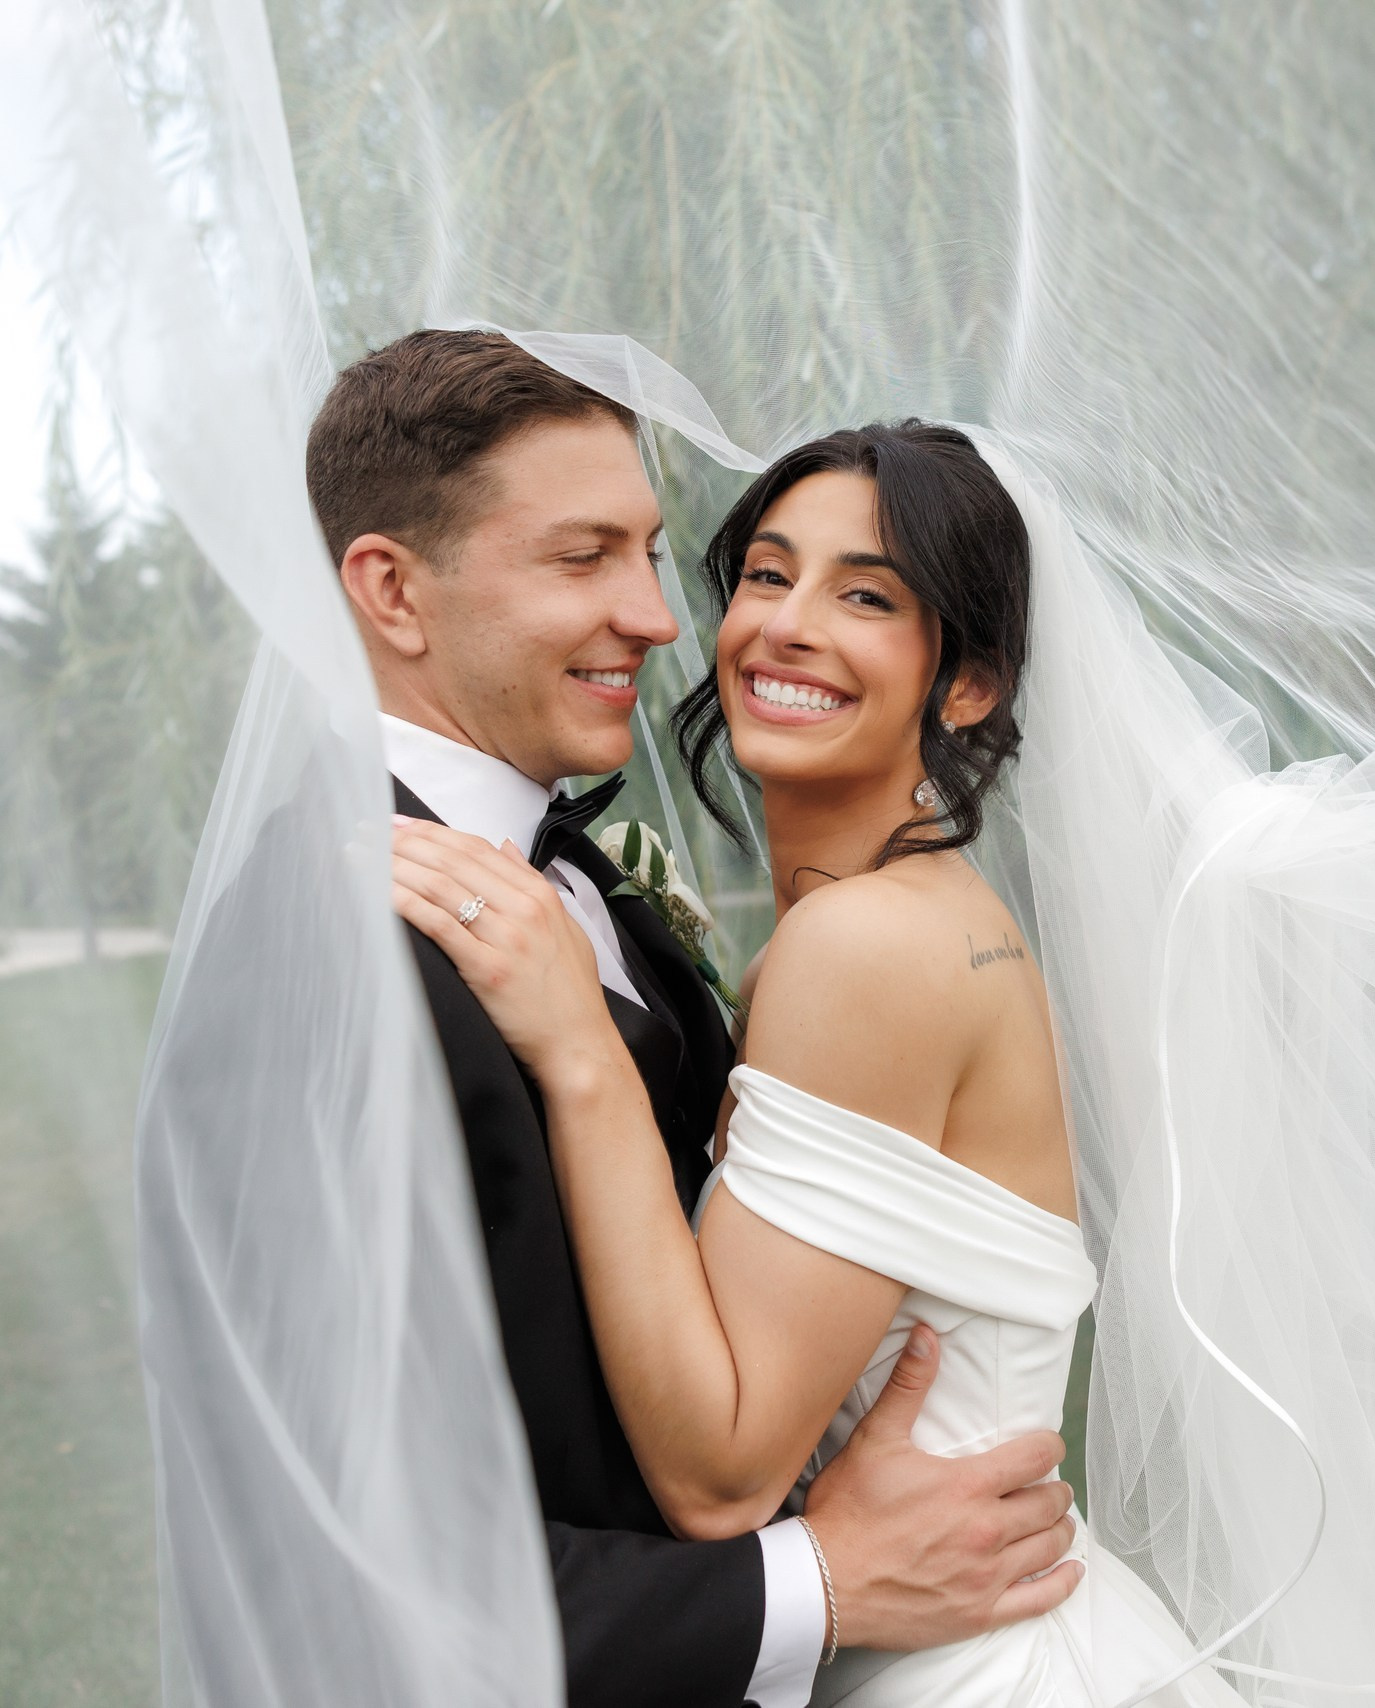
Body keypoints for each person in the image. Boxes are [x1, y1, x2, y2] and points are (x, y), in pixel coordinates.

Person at [390, 419, 1238, 1705]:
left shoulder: (867, 946)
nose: (784, 625)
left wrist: (577, 1043)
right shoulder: (894, 921)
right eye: (768, 575)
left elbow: (721, 1469)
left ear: (967, 685)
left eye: (866, 596)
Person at [303, 332, 1083, 1708]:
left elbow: (716, 1441)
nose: (670, 617)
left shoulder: (816, 937)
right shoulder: (334, 945)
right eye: (583, 555)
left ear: (969, 683)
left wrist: (585, 1056)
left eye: (654, 553)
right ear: (391, 592)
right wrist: (816, 1585)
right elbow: (335, 1546)